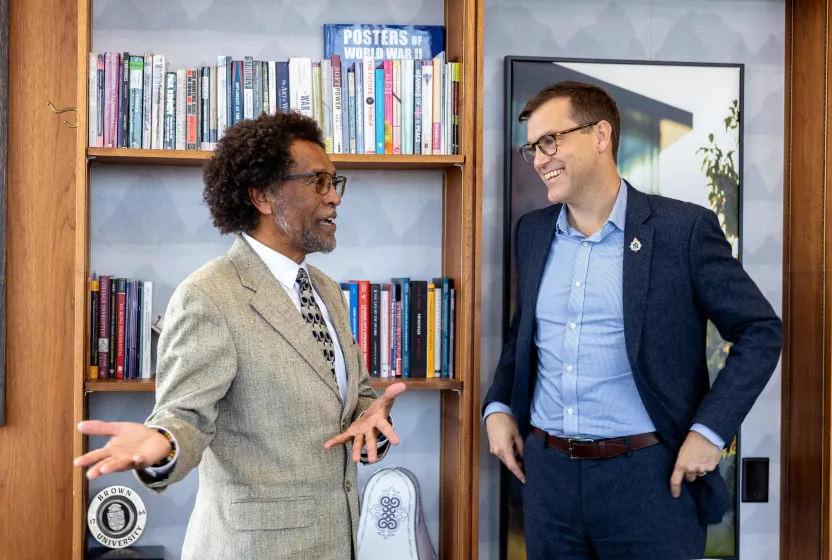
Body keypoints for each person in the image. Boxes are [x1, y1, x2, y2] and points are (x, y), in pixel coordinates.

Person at [73, 111, 406, 560]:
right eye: (318, 181)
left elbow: (357, 395)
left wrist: (372, 424)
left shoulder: (327, 290)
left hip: (333, 542)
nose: (334, 199)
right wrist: (162, 445)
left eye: (335, 182)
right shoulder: (209, 295)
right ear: (262, 196)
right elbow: (184, 416)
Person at [482, 81, 782, 559]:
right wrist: (497, 406)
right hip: (548, 482)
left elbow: (761, 331)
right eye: (533, 148)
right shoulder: (533, 232)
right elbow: (525, 336)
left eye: (549, 141)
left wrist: (710, 433)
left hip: (650, 481)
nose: (539, 159)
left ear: (601, 135)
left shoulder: (682, 230)